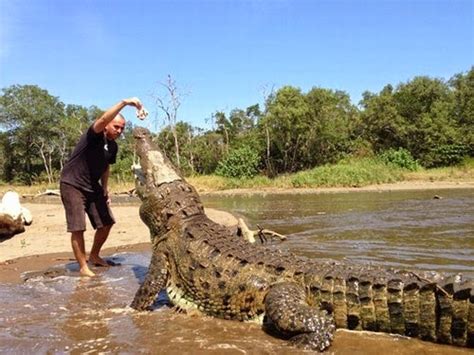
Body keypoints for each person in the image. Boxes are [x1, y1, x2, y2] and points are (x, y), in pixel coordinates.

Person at [60, 97, 146, 277]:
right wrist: (125, 103)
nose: (120, 130)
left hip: (93, 185)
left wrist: (105, 189)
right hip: (72, 184)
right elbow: (103, 119)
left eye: (122, 128)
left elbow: (106, 167)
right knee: (78, 227)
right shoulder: (94, 135)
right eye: (116, 126)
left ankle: (95, 255)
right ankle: (83, 267)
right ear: (107, 125)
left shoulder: (113, 147)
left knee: (107, 222)